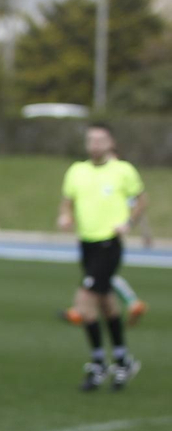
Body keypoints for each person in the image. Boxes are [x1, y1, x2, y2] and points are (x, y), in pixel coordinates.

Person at [58, 123, 147, 391]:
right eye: (91, 140)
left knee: (84, 302)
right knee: (107, 303)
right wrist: (65, 215)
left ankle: (98, 363)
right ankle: (122, 360)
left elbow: (141, 199)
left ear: (111, 142)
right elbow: (67, 200)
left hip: (110, 243)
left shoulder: (123, 170)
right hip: (87, 243)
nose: (95, 144)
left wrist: (129, 223)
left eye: (100, 139)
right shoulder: (77, 171)